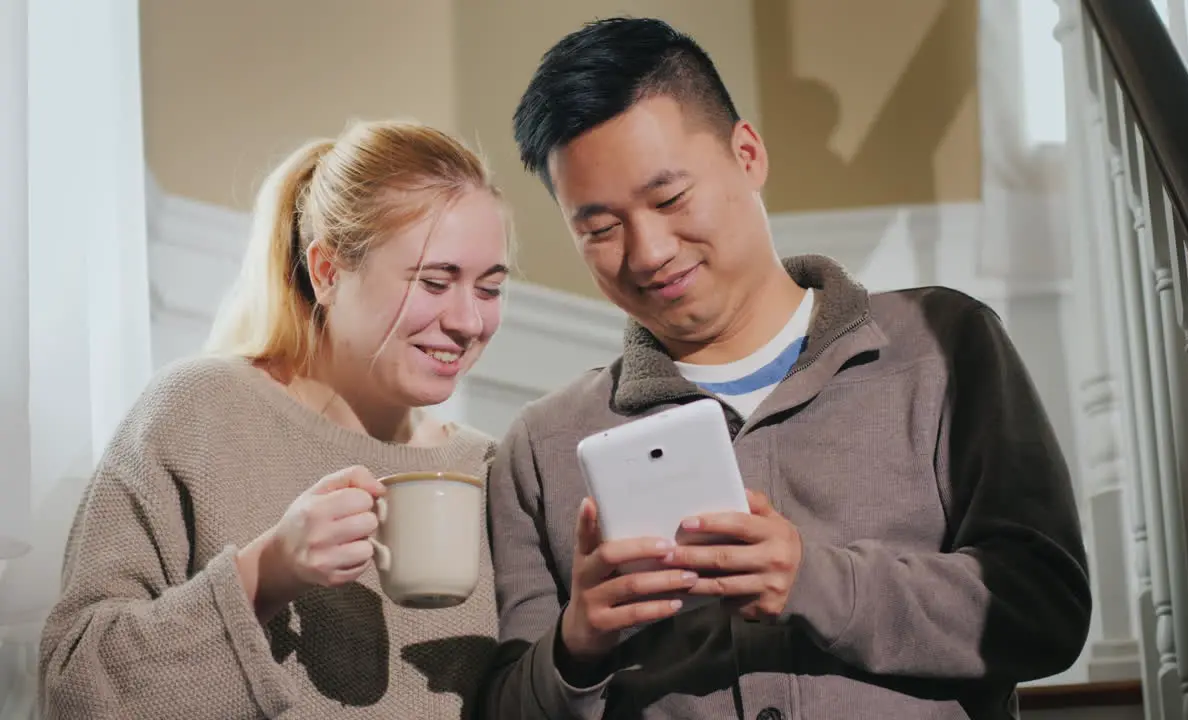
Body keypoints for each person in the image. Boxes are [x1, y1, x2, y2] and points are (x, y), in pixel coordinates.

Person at [480, 17, 1091, 720]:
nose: (647, 251)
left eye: (671, 198)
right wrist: (575, 645)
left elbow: (1046, 611)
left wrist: (816, 581)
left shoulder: (942, 346)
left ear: (747, 156)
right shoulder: (542, 446)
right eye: (599, 228)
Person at [39, 119, 511, 719]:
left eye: (490, 289)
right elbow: (71, 688)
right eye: (435, 281)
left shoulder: (493, 470)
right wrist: (265, 572)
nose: (469, 321)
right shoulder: (198, 415)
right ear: (327, 272)